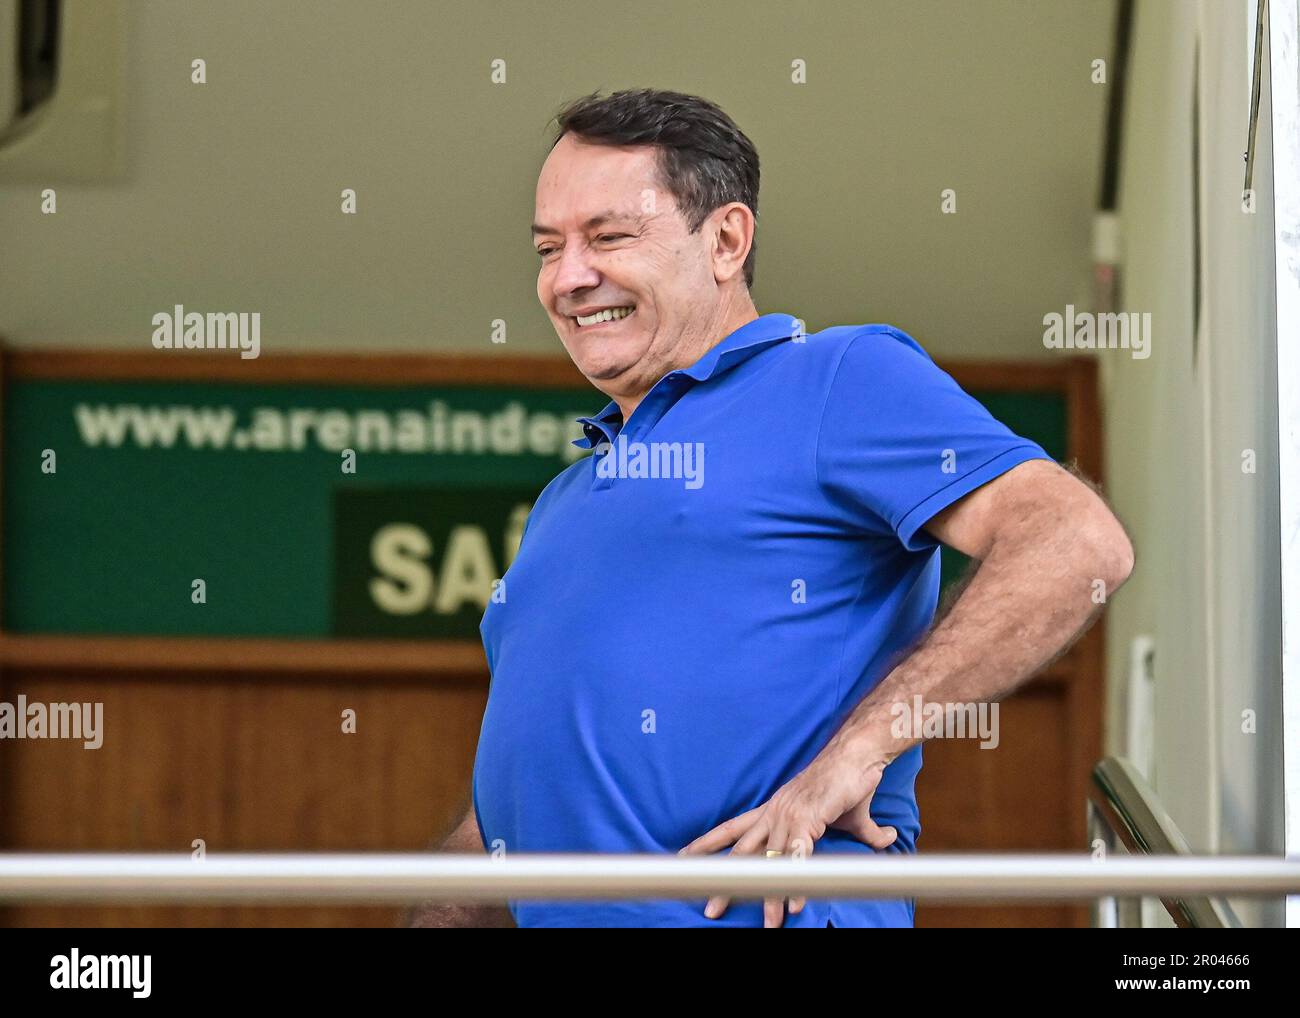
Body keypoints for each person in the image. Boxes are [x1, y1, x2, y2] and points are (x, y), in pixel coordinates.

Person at [407, 88, 1133, 928]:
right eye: (548, 247)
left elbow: (1076, 541)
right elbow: (521, 792)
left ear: (725, 240)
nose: (569, 277)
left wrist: (859, 754)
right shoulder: (564, 502)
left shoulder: (836, 377)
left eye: (608, 237)